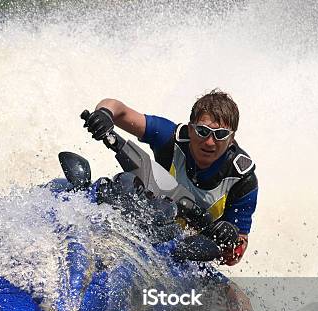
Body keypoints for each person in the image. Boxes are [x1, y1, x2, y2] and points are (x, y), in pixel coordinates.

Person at [85, 89, 258, 265]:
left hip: (183, 258)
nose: (209, 142)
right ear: (190, 129)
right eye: (202, 131)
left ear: (232, 138)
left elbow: (235, 256)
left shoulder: (243, 180)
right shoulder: (168, 136)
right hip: (142, 222)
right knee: (124, 183)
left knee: (236, 294)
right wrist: (103, 114)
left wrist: (230, 239)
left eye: (220, 135)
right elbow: (116, 107)